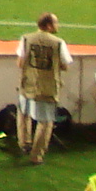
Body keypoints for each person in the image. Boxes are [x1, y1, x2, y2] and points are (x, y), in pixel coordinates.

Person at [16, 12, 73, 164]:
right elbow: (65, 65)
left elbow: (20, 63)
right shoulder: (58, 43)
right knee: (46, 122)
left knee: (23, 114)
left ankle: (24, 144)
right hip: (47, 87)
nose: (57, 25)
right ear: (48, 25)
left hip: (28, 84)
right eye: (56, 23)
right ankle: (36, 155)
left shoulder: (26, 39)